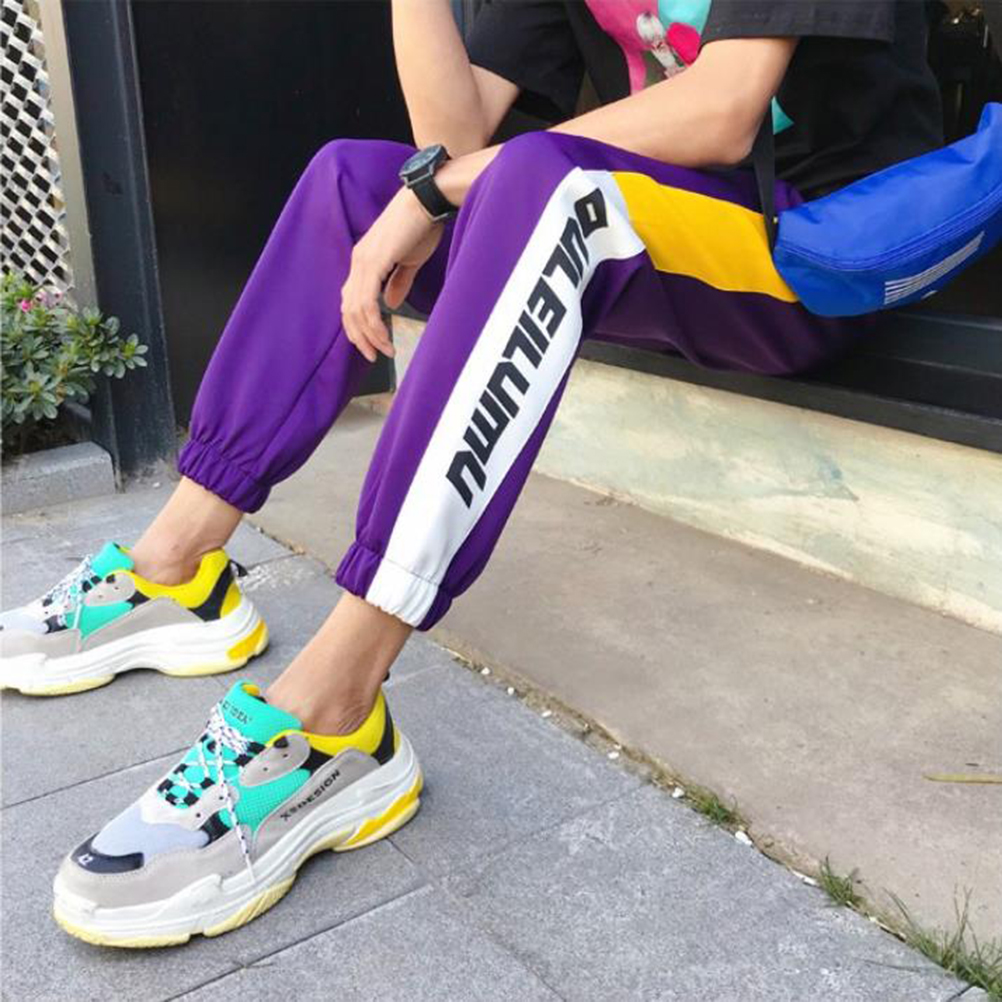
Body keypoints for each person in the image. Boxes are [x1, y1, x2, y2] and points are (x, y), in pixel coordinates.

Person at [0, 0, 941, 947]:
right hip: (669, 224)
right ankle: (176, 569)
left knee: (540, 180)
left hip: (823, 245)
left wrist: (443, 189)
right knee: (354, 180)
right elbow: (449, 141)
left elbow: (724, 110)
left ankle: (333, 714)